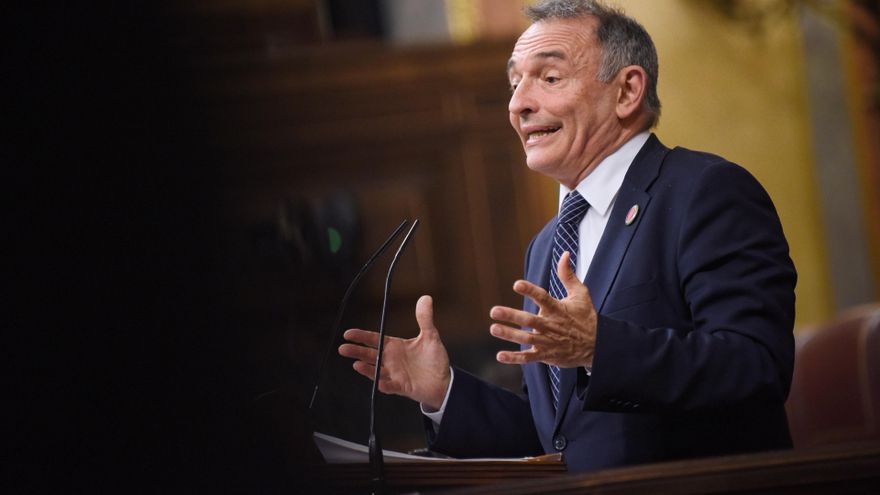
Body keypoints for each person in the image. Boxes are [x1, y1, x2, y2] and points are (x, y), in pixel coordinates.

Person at [339, 0, 796, 473]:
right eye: (515, 83)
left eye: (549, 78)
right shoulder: (548, 245)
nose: (518, 103)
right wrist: (444, 393)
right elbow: (558, 439)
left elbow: (755, 366)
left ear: (627, 91)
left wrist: (601, 349)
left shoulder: (705, 192)